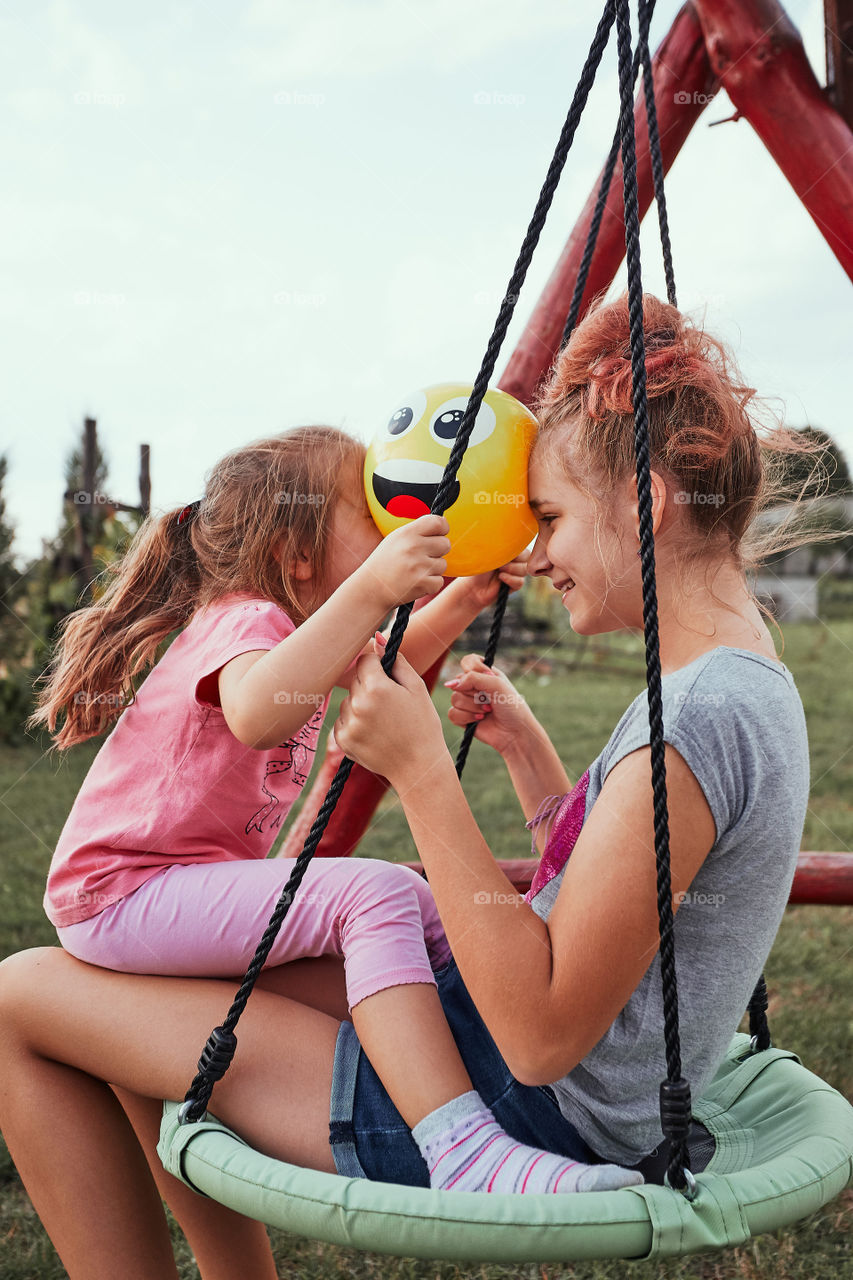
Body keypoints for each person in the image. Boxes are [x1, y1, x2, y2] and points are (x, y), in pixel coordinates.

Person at [0, 292, 829, 1280]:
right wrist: (525, 753)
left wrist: (425, 769)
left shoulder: (698, 713)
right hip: (532, 1082)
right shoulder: (731, 684)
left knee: (19, 993)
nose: (539, 549)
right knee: (139, 985)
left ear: (645, 504)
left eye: (550, 517)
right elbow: (601, 890)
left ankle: (423, 1169)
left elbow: (542, 1033)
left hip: (515, 1109)